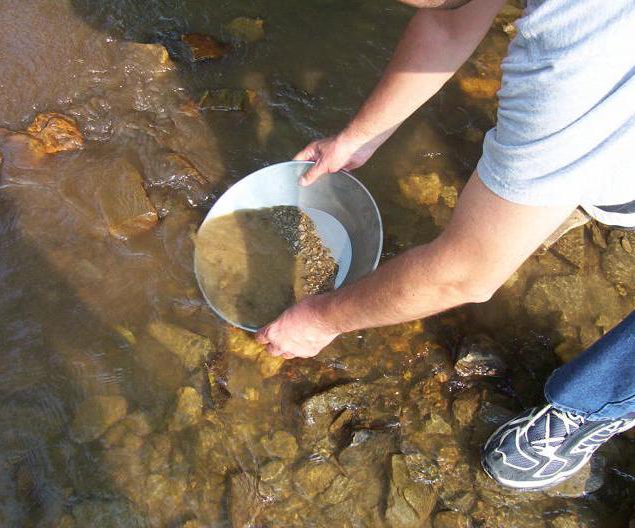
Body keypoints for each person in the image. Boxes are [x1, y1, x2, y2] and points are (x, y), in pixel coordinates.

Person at [255, 0, 635, 490]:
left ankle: (599, 406)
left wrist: (320, 319)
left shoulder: (572, 58)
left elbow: (465, 273)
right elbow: (448, 17)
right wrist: (360, 136)